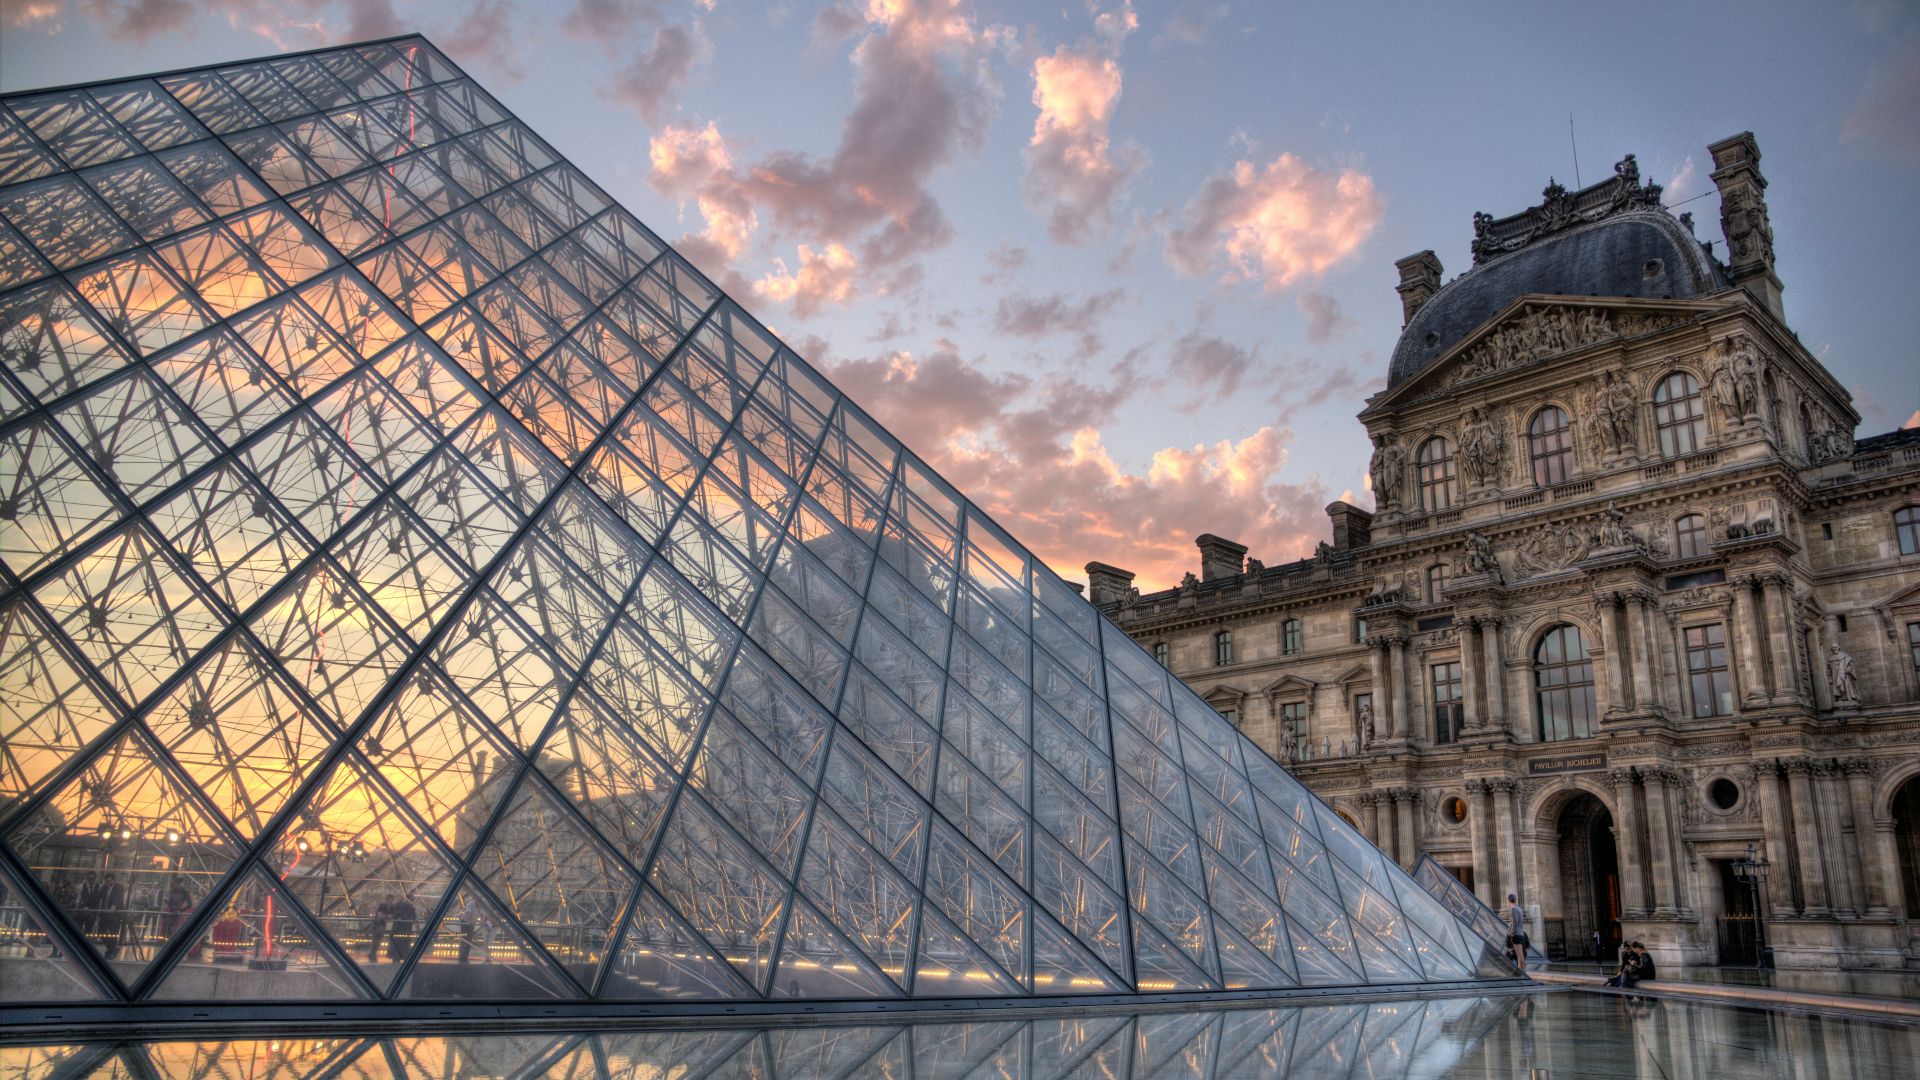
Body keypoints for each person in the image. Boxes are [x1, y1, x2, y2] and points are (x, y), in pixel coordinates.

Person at [1505, 893, 1529, 971]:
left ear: (1509, 900)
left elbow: (1515, 922)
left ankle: (1523, 970)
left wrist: (1512, 932)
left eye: (1507, 901)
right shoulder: (1519, 908)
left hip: (1516, 934)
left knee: (1519, 954)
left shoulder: (1513, 909)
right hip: (1520, 933)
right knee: (1520, 954)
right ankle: (1520, 970)